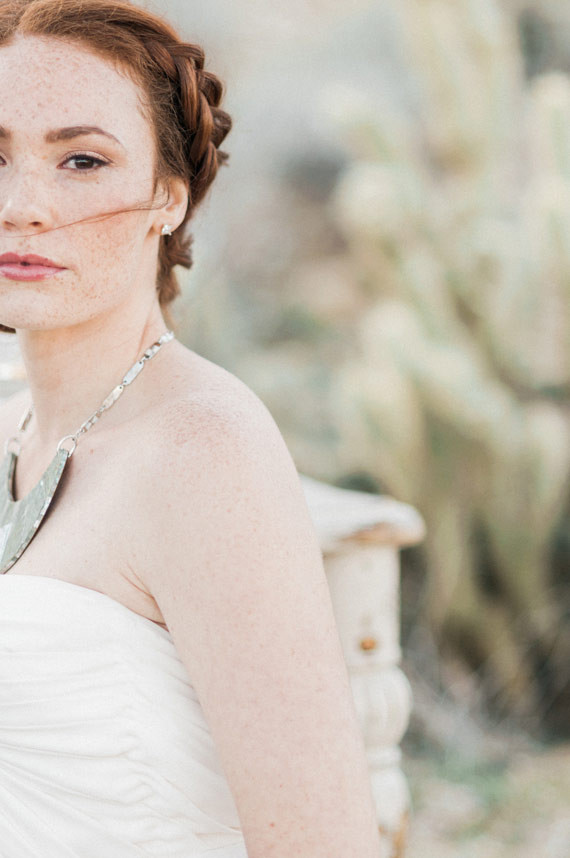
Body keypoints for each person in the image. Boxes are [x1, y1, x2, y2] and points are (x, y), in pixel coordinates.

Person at [0, 1, 383, 856]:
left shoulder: (202, 452)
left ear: (168, 199)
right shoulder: (17, 423)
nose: (22, 205)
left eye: (83, 159)